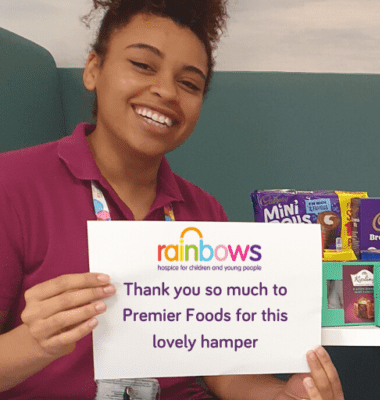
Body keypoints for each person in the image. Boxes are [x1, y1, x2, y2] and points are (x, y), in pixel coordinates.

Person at [0, 1, 344, 399]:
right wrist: (34, 343)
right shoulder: (12, 185)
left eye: (189, 84)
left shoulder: (204, 213)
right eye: (142, 65)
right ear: (93, 69)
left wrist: (284, 396)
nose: (166, 91)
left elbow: (224, 369)